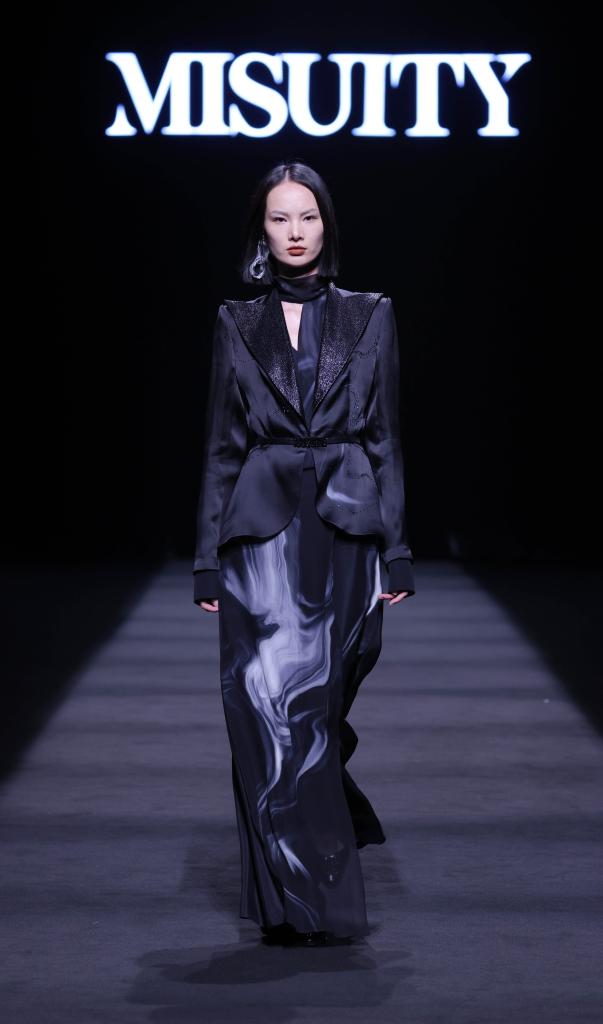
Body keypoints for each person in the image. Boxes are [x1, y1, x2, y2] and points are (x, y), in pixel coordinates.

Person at [193, 160, 416, 946]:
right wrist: (205, 557)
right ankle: (295, 903)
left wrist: (397, 550)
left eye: (307, 216)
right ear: (261, 230)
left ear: (326, 224)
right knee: (259, 709)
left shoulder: (370, 314)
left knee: (316, 710)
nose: (294, 232)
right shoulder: (235, 321)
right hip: (257, 533)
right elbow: (221, 447)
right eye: (279, 217)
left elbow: (384, 437)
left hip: (346, 530)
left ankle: (315, 853)